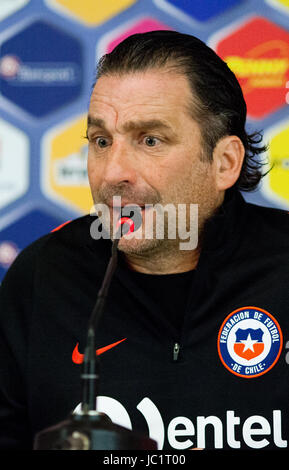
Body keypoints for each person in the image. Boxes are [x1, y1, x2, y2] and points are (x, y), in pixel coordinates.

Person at [0, 30, 289, 451]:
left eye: (150, 140)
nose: (113, 172)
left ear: (224, 163)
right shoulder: (42, 277)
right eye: (101, 141)